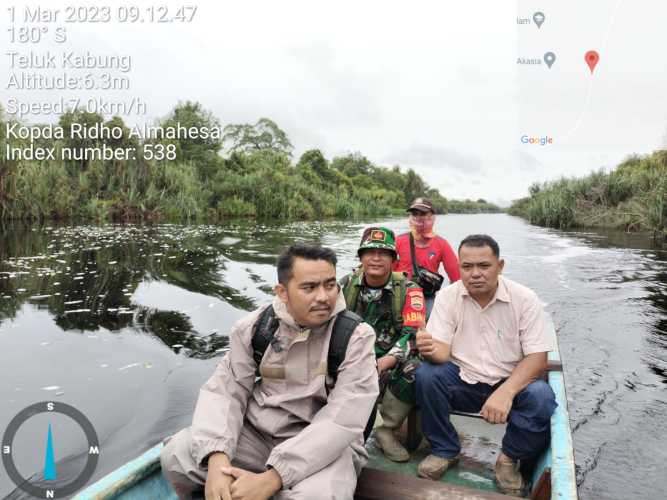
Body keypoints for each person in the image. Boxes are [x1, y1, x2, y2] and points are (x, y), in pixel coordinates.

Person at [160, 244, 379, 500]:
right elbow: (225, 391)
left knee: (321, 495)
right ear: (282, 292)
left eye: (330, 285)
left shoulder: (355, 337)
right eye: (309, 287)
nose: (324, 297)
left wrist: (273, 478)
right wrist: (217, 457)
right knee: (177, 455)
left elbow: (343, 420)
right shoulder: (255, 328)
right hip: (257, 435)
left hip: (323, 445)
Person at [414, 234, 557, 495]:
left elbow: (538, 359)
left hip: (509, 382)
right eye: (467, 267)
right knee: (426, 375)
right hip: (462, 381)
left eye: (484, 266)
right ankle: (445, 449)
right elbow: (442, 353)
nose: (475, 274)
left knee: (541, 396)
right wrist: (429, 349)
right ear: (459, 268)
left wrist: (506, 392)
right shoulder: (448, 297)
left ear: (500, 266)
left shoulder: (524, 299)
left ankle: (508, 458)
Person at [340, 227, 426, 463]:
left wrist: (385, 362)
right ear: (360, 257)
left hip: (390, 357)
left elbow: (413, 333)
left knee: (416, 371)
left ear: (394, 260)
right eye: (369, 252)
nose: (375, 258)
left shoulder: (410, 290)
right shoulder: (345, 285)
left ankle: (385, 429)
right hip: (354, 354)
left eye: (383, 253)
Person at [393, 197, 460, 318]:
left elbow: (456, 278)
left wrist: (453, 303)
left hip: (426, 296)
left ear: (432, 217)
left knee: (431, 322)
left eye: (423, 213)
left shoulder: (442, 244)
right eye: (415, 213)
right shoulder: (398, 240)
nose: (418, 217)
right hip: (399, 294)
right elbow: (386, 268)